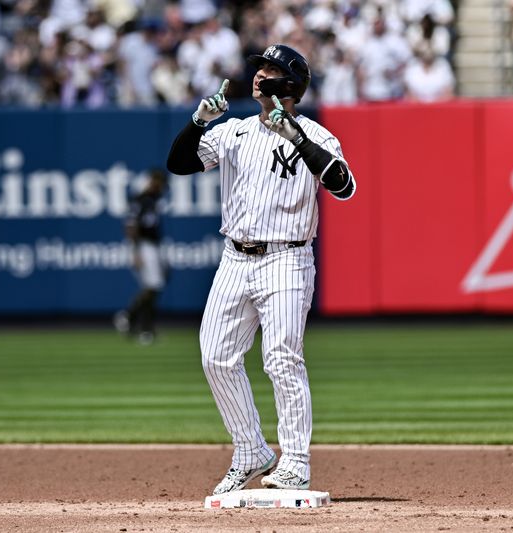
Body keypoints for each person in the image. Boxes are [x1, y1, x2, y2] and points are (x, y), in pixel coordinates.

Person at [166, 44, 356, 494]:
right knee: (215, 355)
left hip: (287, 258)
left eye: (270, 69)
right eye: (258, 68)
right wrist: (198, 122)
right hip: (234, 257)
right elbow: (178, 163)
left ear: (290, 84)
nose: (259, 75)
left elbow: (344, 186)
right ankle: (251, 448)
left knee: (282, 359)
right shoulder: (233, 132)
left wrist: (298, 140)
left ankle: (295, 461)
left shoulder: (315, 135)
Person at [113, 169, 168, 345]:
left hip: (153, 246)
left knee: (153, 287)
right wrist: (136, 252)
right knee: (152, 286)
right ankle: (143, 327)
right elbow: (131, 226)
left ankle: (131, 319)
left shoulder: (153, 200)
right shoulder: (141, 200)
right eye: (156, 181)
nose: (159, 186)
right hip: (143, 246)